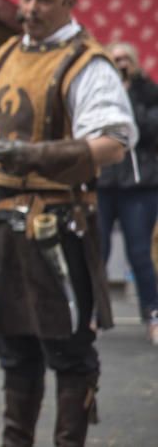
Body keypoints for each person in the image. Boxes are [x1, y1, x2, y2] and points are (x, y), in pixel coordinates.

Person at [0, 0, 137, 447]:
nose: (30, 8)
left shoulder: (86, 64)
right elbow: (4, 129)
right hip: (4, 224)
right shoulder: (8, 53)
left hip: (60, 226)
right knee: (15, 352)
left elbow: (114, 143)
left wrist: (36, 157)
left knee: (71, 353)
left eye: (44, 0)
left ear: (69, 4)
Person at [97, 41, 158, 345]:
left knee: (140, 253)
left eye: (125, 58)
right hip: (104, 184)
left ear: (134, 62)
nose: (120, 62)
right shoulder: (99, 93)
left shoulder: (148, 92)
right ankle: (92, 314)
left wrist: (127, 94)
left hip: (138, 186)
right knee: (97, 252)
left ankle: (153, 314)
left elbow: (148, 129)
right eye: (115, 58)